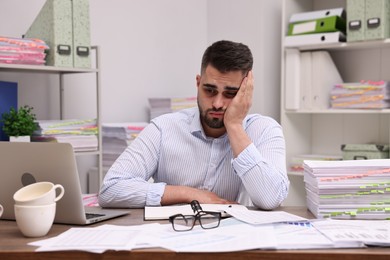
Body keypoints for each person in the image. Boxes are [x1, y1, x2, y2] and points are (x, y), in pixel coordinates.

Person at [98, 40, 289, 209]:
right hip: (172, 240)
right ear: (198, 83)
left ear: (245, 92)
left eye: (230, 93)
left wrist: (235, 126)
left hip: (236, 243)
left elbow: (270, 199)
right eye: (210, 90)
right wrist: (190, 194)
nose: (217, 103)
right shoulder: (163, 128)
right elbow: (111, 189)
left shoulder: (265, 130)